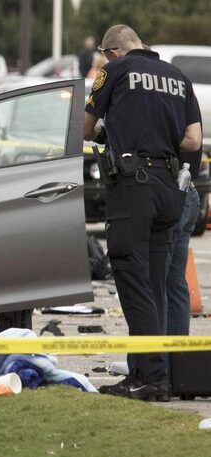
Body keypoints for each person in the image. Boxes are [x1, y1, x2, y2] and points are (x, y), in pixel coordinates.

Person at [84, 24, 202, 401]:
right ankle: (147, 373)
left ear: (112, 51)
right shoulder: (178, 77)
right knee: (154, 285)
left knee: (131, 278)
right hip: (169, 189)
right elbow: (193, 140)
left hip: (134, 186)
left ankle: (150, 377)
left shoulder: (114, 71)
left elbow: (85, 128)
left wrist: (110, 131)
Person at [165, 101, 203, 337]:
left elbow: (194, 141)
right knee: (174, 281)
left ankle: (155, 365)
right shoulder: (181, 88)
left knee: (156, 283)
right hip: (187, 189)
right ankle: (177, 363)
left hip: (170, 191)